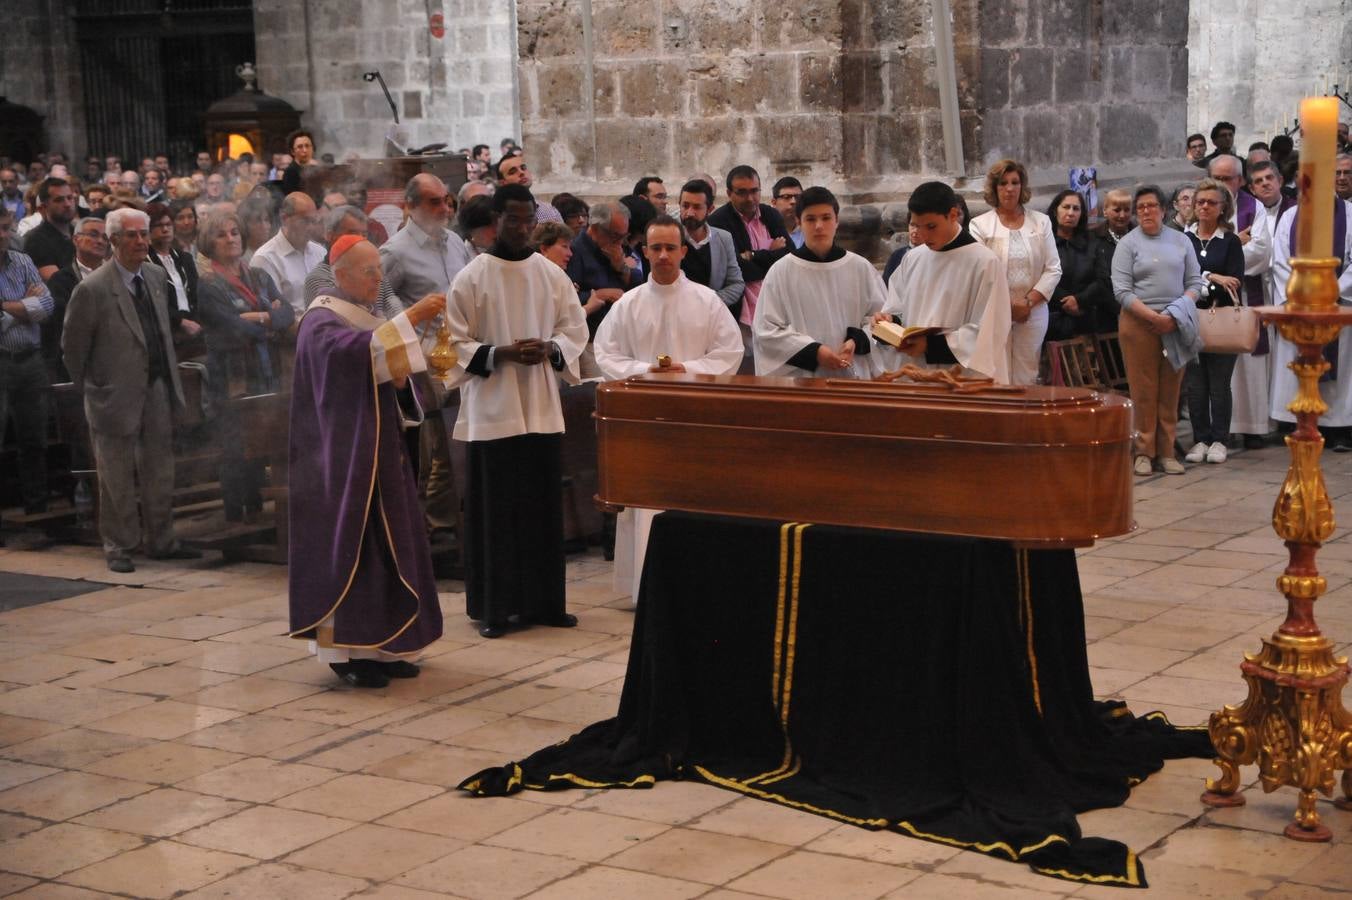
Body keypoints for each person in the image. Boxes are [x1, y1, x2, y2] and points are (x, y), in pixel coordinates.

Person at [288, 235, 446, 688]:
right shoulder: (320, 320)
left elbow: (386, 366)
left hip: (380, 449)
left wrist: (399, 382)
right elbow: (347, 358)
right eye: (369, 272)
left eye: (379, 269)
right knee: (357, 549)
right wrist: (409, 319)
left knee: (393, 544)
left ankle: (389, 645)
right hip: (341, 459)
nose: (379, 279)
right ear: (340, 277)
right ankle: (351, 654)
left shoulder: (367, 317)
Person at [443, 184, 589, 638]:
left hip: (541, 404)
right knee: (496, 511)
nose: (522, 228)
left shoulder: (550, 275)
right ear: (496, 222)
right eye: (513, 220)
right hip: (494, 408)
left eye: (529, 220)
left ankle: (545, 602)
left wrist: (551, 347)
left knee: (541, 507)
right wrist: (500, 354)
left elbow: (574, 328)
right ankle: (494, 608)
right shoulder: (472, 277)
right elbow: (451, 344)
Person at [593, 215, 742, 601]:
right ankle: (646, 587)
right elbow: (605, 353)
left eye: (670, 248)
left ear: (683, 251)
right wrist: (646, 371)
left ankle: (694, 586)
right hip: (646, 420)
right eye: (655, 248)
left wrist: (687, 370)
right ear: (644, 252)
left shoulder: (706, 301)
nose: (662, 256)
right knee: (647, 504)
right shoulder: (629, 304)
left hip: (694, 420)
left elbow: (730, 352)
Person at [62, 208, 201, 571]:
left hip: (155, 385)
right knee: (116, 475)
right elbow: (73, 349)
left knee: (160, 469)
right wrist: (95, 388)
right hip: (113, 393)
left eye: (144, 234)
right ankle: (119, 545)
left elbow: (161, 330)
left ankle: (162, 540)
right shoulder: (91, 289)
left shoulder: (154, 275)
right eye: (133, 235)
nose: (142, 241)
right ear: (114, 241)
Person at [196, 211, 296, 521]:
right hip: (231, 377)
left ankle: (259, 510)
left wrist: (264, 318)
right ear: (209, 244)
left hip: (266, 370)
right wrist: (268, 318)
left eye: (234, 232)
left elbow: (287, 313)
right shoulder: (209, 284)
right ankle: (236, 515)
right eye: (222, 234)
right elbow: (232, 328)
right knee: (235, 446)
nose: (231, 238)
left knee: (263, 440)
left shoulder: (259, 276)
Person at [1112, 186, 1207, 476]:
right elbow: (1121, 290)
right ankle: (1143, 451)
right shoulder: (1127, 244)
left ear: (1164, 209)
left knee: (1171, 390)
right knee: (1143, 390)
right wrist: (1151, 316)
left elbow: (1194, 283)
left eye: (1151, 206)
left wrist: (1173, 314)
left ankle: (1166, 452)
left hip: (1175, 320)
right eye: (1140, 207)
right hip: (1138, 323)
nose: (1145, 211)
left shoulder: (1181, 241)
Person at [880, 181, 1009, 382]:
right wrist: (890, 323)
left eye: (931, 226)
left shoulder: (984, 263)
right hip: (916, 374)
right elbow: (898, 308)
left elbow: (989, 332)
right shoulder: (913, 258)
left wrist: (930, 346)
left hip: (962, 380)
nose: (922, 235)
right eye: (916, 226)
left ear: (953, 215)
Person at [753, 186, 886, 379]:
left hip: (853, 378)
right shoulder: (781, 271)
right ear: (799, 222)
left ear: (837, 221)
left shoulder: (860, 268)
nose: (819, 226)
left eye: (826, 218)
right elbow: (766, 331)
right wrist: (814, 352)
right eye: (810, 219)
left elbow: (879, 319)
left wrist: (856, 341)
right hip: (803, 383)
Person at [1268, 192, 1352, 448]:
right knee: (1296, 364)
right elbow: (1280, 261)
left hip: (1337, 306)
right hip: (1299, 306)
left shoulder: (1349, 215)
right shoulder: (1291, 216)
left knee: (1340, 370)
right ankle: (1295, 422)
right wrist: (1297, 295)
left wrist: (1330, 292)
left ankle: (1339, 427)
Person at [969, 159, 1062, 385]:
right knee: (994, 375)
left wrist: (1027, 303)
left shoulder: (1041, 222)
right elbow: (979, 272)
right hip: (993, 311)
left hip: (1033, 310)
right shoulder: (980, 225)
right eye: (1003, 183)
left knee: (1026, 375)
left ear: (1022, 187)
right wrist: (1006, 306)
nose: (1009, 189)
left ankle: (1025, 419)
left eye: (1015, 182)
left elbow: (1053, 269)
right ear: (994, 188)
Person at [1181, 179, 1246, 465]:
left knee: (1219, 383)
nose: (1204, 206)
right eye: (1200, 202)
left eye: (1211, 202)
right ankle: (1199, 438)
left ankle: (1219, 438)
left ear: (1223, 208)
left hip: (1220, 320)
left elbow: (1234, 281)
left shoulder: (1230, 241)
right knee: (1195, 384)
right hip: (1191, 318)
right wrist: (1212, 277)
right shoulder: (1184, 238)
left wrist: (1206, 278)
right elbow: (1181, 277)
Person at [0, 207, 56, 526]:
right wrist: (24, 305)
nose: (2, 236)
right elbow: (33, 307)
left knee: (34, 441)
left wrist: (4, 308)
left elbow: (47, 306)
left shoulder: (21, 261)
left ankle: (38, 512)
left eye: (6, 228)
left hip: (29, 361)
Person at [708, 165, 793, 326]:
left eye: (754, 191)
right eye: (742, 192)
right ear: (729, 194)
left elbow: (790, 255)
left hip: (778, 307)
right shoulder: (718, 222)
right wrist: (772, 254)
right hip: (740, 315)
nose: (750, 198)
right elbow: (739, 270)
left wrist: (753, 255)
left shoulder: (770, 215)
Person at [304, 205, 402, 319]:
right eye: (352, 233)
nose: (360, 240)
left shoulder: (374, 267)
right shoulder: (319, 278)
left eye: (364, 235)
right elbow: (349, 317)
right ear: (330, 236)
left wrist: (404, 322)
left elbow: (390, 301)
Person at [1045, 190, 1113, 341]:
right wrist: (1066, 302)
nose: (1070, 213)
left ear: (1082, 214)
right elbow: (1039, 276)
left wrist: (1080, 300)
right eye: (1066, 207)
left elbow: (1102, 279)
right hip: (1052, 319)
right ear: (1056, 211)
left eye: (1076, 209)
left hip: (1087, 318)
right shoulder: (1043, 242)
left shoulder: (1093, 242)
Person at [45, 217, 107, 380]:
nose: (100, 241)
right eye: (93, 235)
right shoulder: (61, 279)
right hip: (76, 359)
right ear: (76, 239)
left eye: (105, 237)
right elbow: (64, 321)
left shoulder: (117, 276)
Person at [249, 191, 325, 316]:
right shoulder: (265, 259)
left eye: (313, 221)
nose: (311, 227)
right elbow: (276, 314)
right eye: (305, 221)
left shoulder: (320, 252)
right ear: (284, 218)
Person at [676, 179, 744, 313]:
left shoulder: (724, 238)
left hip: (711, 316)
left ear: (710, 209)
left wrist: (709, 302)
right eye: (685, 206)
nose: (689, 213)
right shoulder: (670, 236)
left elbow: (736, 283)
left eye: (697, 207)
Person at [143, 203, 202, 337]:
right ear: (148, 229)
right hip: (164, 329)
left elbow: (196, 294)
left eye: (168, 224)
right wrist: (179, 321)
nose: (165, 229)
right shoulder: (145, 262)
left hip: (195, 326)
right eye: (158, 226)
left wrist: (196, 321)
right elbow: (151, 301)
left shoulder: (184, 258)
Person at [23, 177, 77, 281]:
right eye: (59, 200)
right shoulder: (35, 240)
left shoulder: (78, 232)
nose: (67, 204)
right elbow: (58, 283)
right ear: (44, 207)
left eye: (70, 198)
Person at [771, 176, 805, 248]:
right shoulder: (766, 231)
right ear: (774, 203)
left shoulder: (808, 230)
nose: (793, 201)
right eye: (786, 197)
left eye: (797, 197)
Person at [281, 130, 317, 195]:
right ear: (292, 151)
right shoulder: (290, 172)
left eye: (307, 146)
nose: (305, 150)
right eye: (300, 147)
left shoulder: (316, 169)